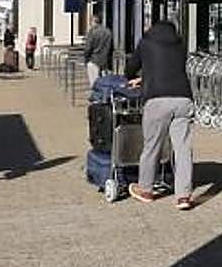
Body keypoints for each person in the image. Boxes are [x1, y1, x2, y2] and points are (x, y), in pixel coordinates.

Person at [124, 20, 196, 211]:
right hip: (183, 98)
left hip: (157, 100)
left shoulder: (146, 41)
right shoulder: (180, 44)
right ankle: (184, 197)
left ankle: (146, 189)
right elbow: (172, 69)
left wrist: (134, 78)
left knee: (152, 145)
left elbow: (131, 67)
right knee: (183, 149)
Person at [83, 12, 113, 86]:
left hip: (93, 60)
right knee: (103, 82)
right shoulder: (108, 32)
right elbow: (111, 46)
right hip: (104, 61)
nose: (90, 24)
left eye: (91, 21)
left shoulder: (92, 32)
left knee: (94, 83)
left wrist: (86, 58)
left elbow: (88, 48)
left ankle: (96, 96)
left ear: (94, 21)